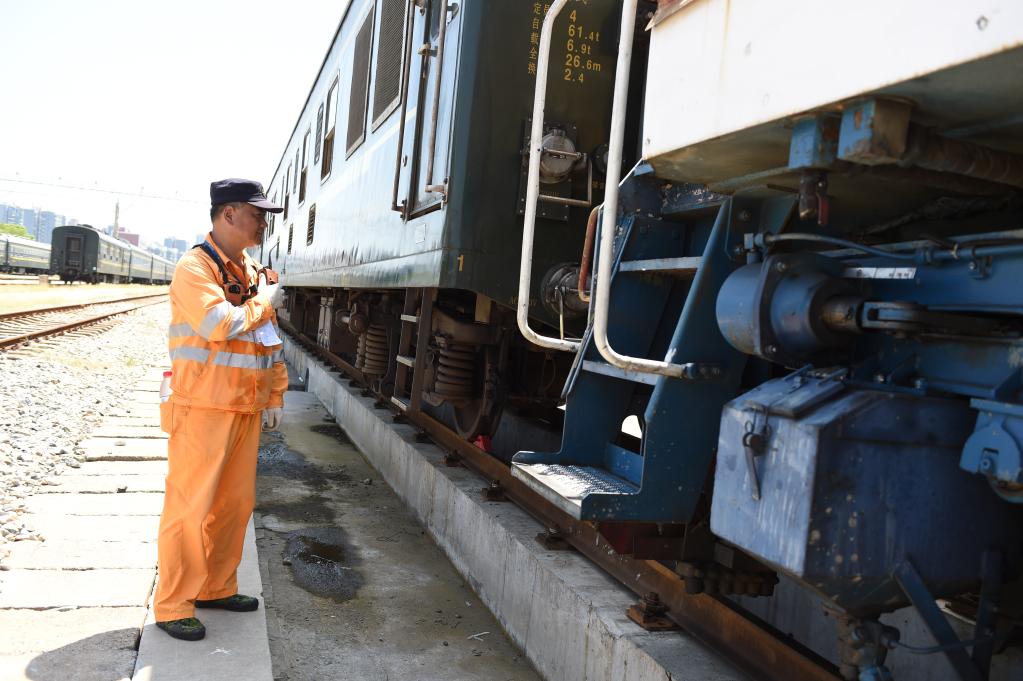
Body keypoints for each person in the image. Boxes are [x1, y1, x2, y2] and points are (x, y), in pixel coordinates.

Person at [154, 178, 286, 641]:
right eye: (256, 213)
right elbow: (216, 324)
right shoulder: (195, 268)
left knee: (233, 506)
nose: (263, 222)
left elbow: (268, 345)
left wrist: (274, 396)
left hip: (244, 408)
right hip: (202, 408)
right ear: (228, 214)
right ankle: (173, 605)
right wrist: (264, 304)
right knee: (190, 509)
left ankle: (215, 586)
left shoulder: (249, 270)